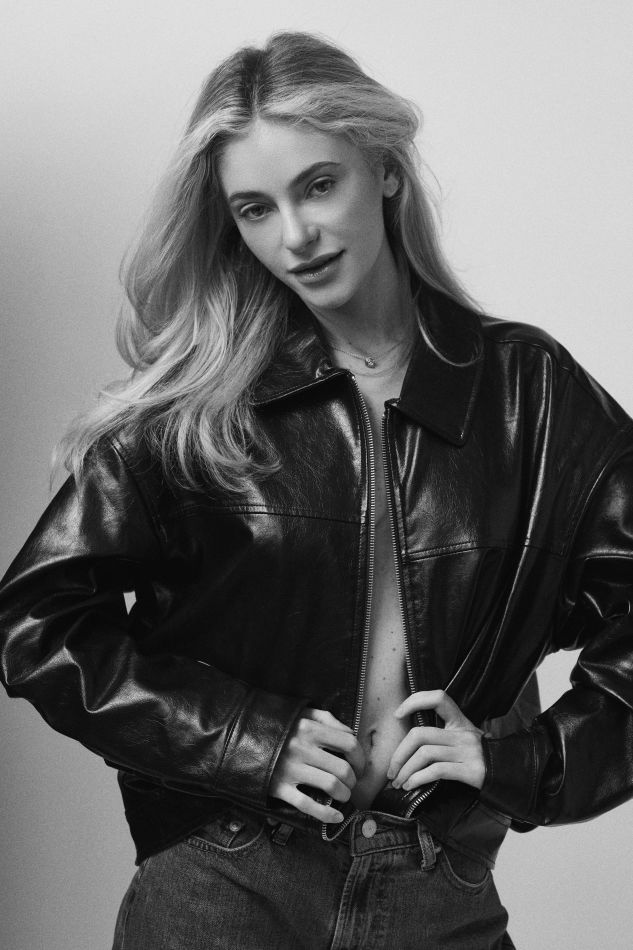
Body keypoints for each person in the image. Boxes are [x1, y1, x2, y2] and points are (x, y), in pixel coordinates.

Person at [0, 29, 631, 950]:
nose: (294, 236)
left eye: (319, 185)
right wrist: (244, 738)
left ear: (384, 169)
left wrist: (526, 761)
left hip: (435, 886)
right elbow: (36, 624)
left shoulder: (526, 392)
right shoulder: (199, 404)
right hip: (227, 879)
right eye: (255, 209)